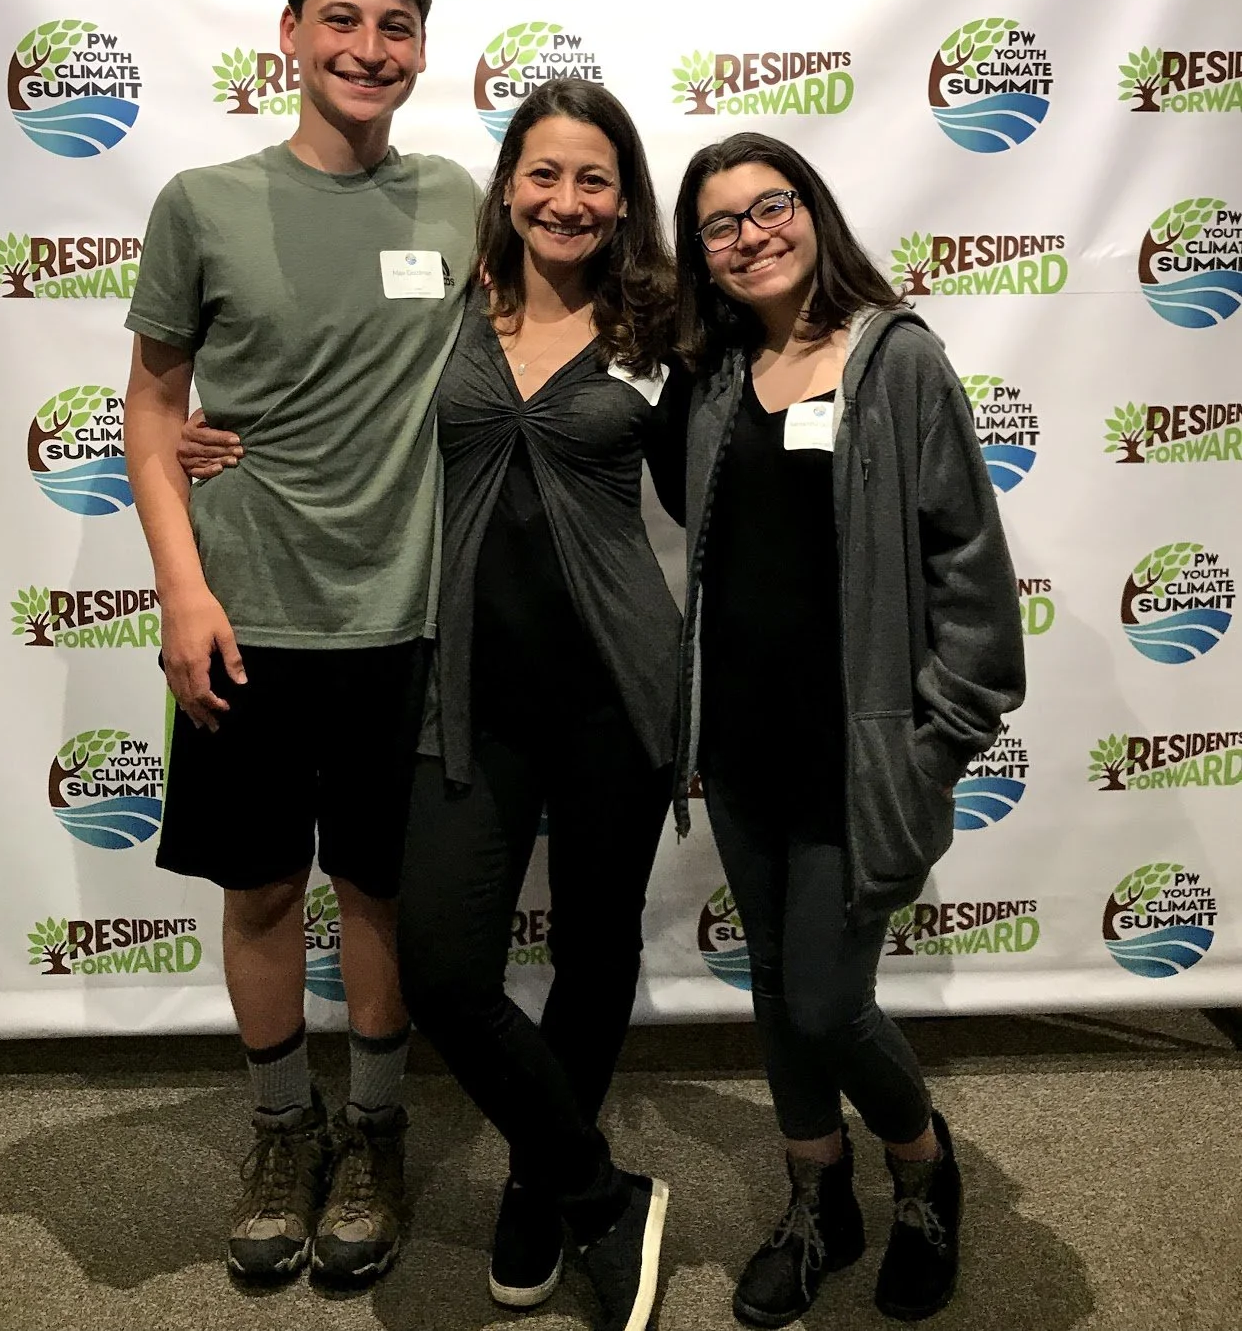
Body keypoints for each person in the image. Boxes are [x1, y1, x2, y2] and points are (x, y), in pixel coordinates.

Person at [181, 78, 683, 1331]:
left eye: (594, 180)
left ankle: (537, 1178)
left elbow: (730, 474)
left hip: (619, 688)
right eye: (543, 174)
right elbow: (324, 380)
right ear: (504, 185)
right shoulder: (451, 309)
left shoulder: (661, 330)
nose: (566, 201)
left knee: (594, 950)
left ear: (623, 201)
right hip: (462, 696)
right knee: (449, 971)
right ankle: (595, 1188)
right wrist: (206, 437)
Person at [123, 0, 481, 1289]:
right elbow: (154, 411)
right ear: (288, 36)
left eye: (393, 25)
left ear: (419, 50)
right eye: (339, 18)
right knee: (265, 886)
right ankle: (285, 1130)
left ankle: (377, 1132)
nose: (366, 46)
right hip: (248, 617)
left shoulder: (457, 200)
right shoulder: (202, 204)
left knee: (379, 891)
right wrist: (180, 588)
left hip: (406, 624)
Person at [667, 132, 1025, 1326]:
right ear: (701, 258)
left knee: (826, 1001)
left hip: (858, 752)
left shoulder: (895, 364)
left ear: (811, 212)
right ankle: (817, 1195)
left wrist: (937, 739)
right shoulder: (715, 383)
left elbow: (969, 569)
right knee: (774, 985)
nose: (749, 235)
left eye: (768, 206)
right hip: (744, 747)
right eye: (719, 225)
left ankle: (922, 1164)